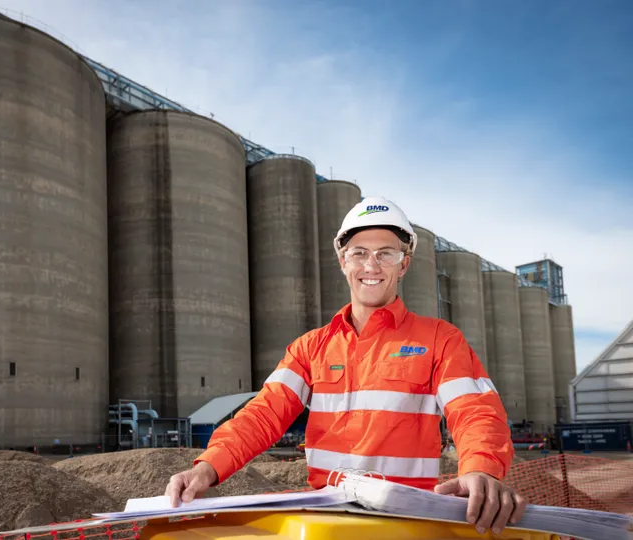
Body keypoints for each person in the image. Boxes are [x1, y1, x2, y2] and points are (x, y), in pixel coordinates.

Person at [166, 196, 527, 535]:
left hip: (409, 523)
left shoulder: (439, 340)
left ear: (404, 264)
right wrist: (208, 466)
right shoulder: (310, 348)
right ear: (343, 262)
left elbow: (475, 411)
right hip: (329, 521)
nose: (371, 266)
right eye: (359, 253)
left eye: (386, 254)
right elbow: (263, 414)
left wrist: (481, 468)